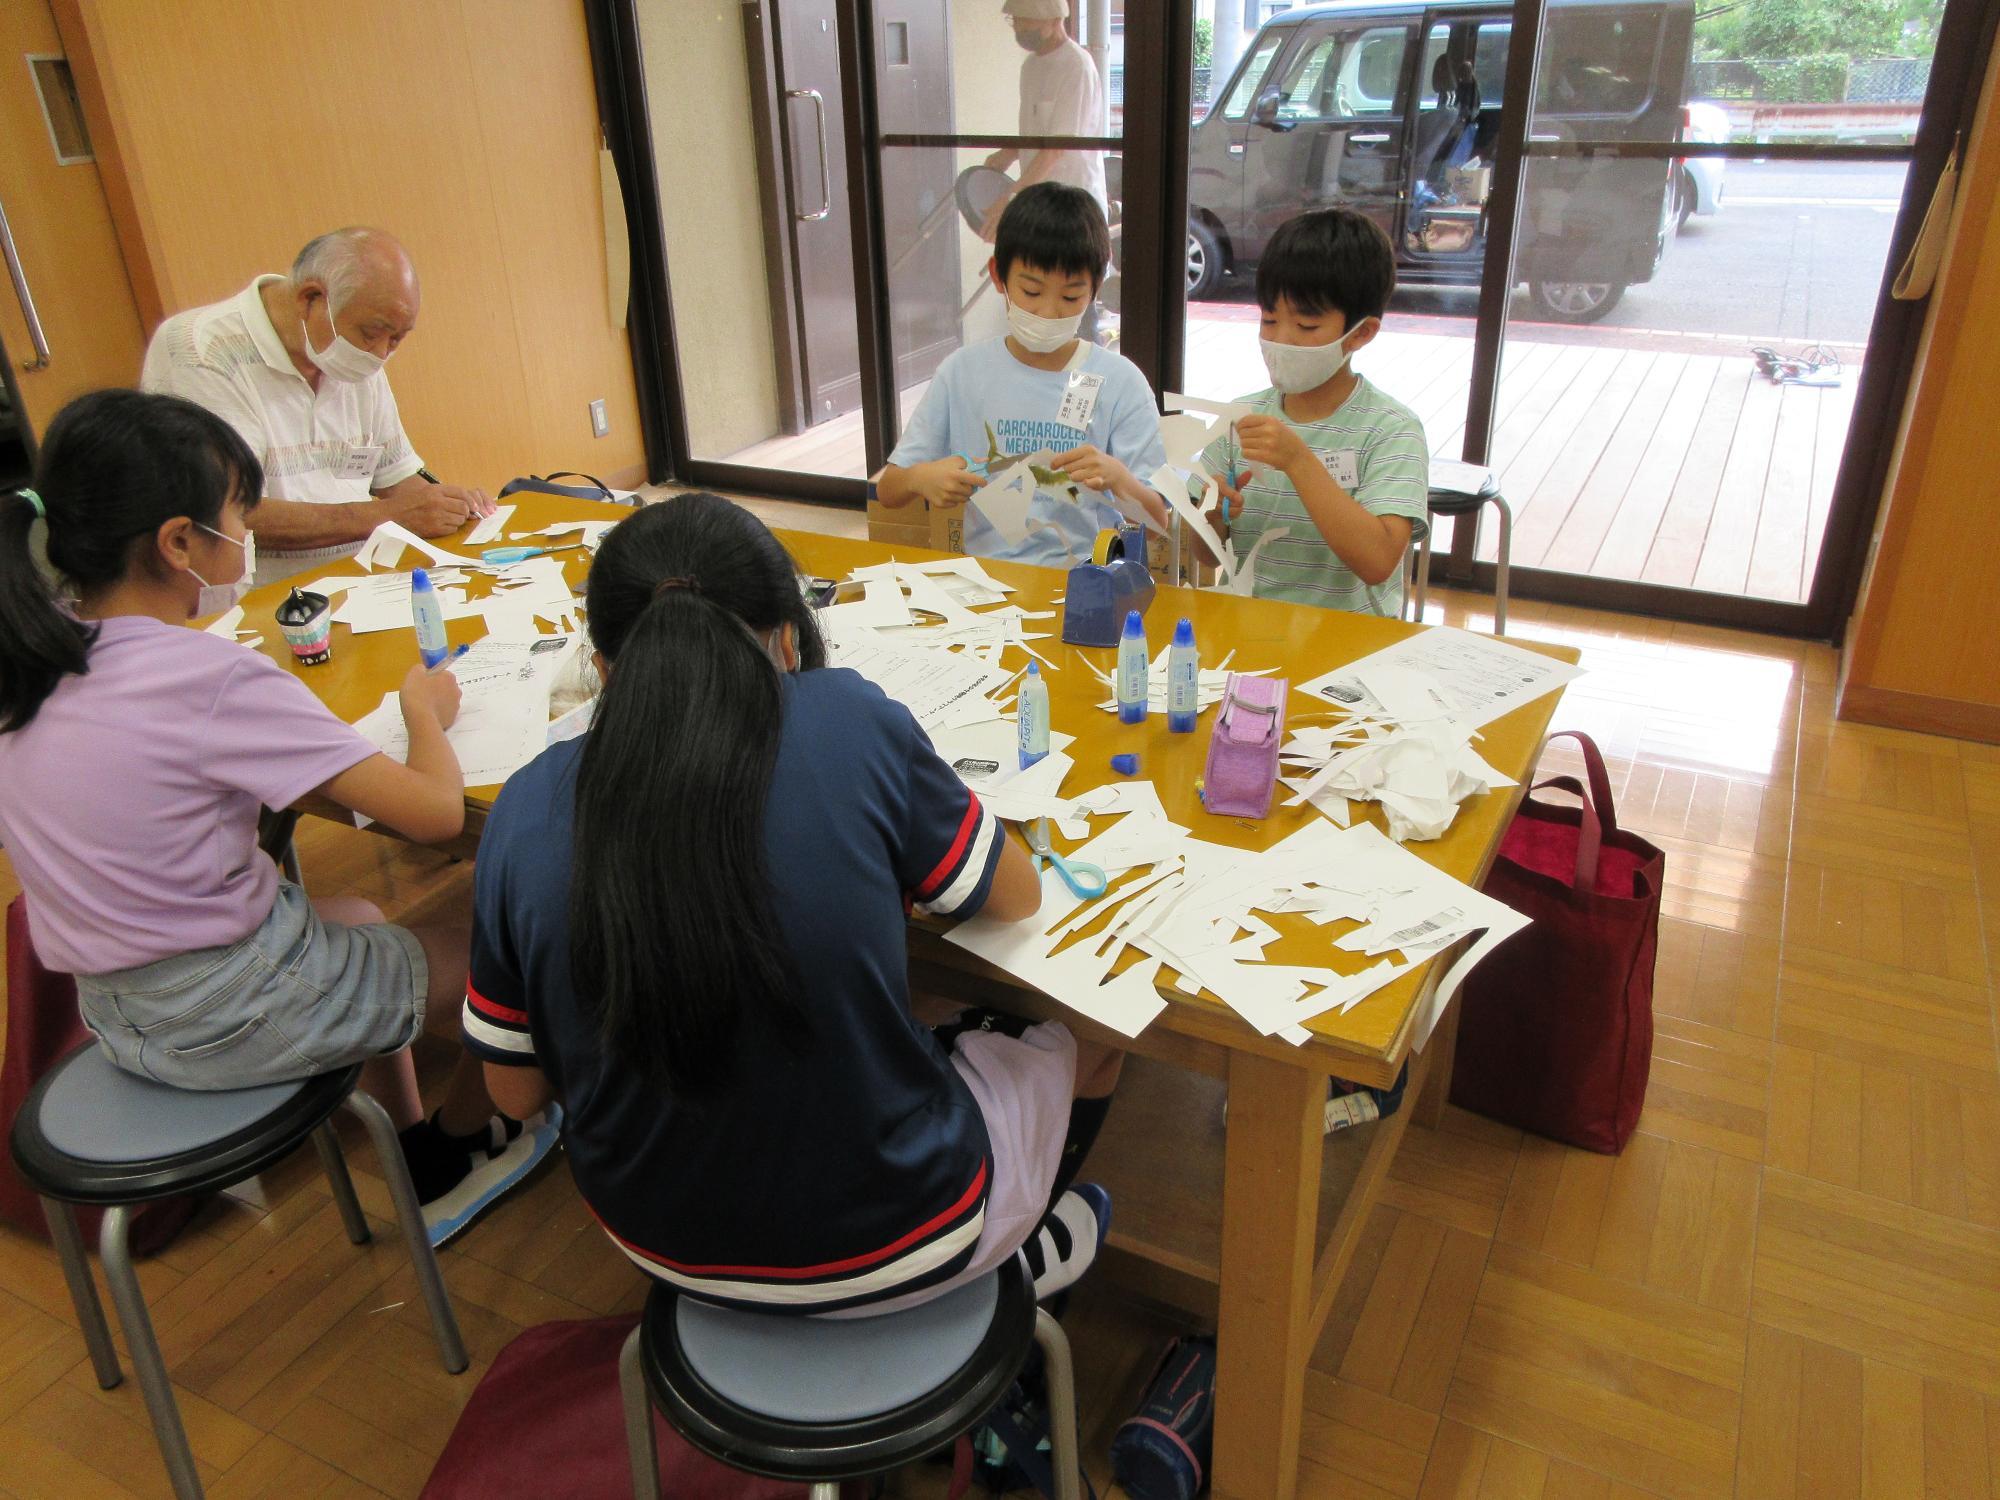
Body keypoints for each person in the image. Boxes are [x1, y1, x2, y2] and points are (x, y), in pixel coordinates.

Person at [461, 493, 1123, 1314]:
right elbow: (1015, 897)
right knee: (1095, 1034)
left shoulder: (524, 807)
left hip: (657, 1244)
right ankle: (1009, 1260)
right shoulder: (846, 717)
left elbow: (515, 1097)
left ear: (601, 669)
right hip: (904, 1234)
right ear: (786, 635)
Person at [0, 390, 555, 1245]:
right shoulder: (209, 675)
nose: (244, 530)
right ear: (181, 542)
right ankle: (459, 1148)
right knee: (518, 929)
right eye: (237, 512)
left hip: (117, 1011)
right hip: (232, 1009)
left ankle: (403, 1139)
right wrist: (422, 711)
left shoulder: (32, 662)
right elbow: (438, 815)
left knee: (362, 915)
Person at [141, 227, 494, 586]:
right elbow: (224, 515)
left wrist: (450, 504)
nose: (382, 353)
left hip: (361, 584)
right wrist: (387, 515)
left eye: (397, 339)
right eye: (372, 333)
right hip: (254, 604)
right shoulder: (201, 351)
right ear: (311, 298)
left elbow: (395, 476)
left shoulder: (356, 357)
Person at [876, 183, 1168, 571]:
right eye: (1031, 291)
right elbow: (888, 490)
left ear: (1096, 285)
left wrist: (1119, 479)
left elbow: (1158, 524)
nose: (1048, 312)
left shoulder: (1118, 381)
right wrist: (919, 478)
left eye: (1070, 297)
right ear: (999, 276)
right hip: (990, 579)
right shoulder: (962, 373)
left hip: (1091, 584)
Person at [1196, 209, 1429, 615]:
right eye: (1269, 320)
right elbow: (1207, 555)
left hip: (1351, 648)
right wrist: (1212, 515)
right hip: (1249, 632)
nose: (1281, 339)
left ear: (1361, 332)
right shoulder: (1241, 420)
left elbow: (1378, 562)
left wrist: (1299, 461)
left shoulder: (1391, 429)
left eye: (1305, 327)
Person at [981, 0, 1108, 239]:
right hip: (1041, 200)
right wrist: (1008, 153)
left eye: (1025, 21)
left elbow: (1056, 148)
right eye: (1014, 20)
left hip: (1074, 205)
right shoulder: (1030, 67)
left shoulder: (1077, 66)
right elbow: (1036, 131)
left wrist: (1012, 198)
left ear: (1055, 20)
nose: (1018, 28)